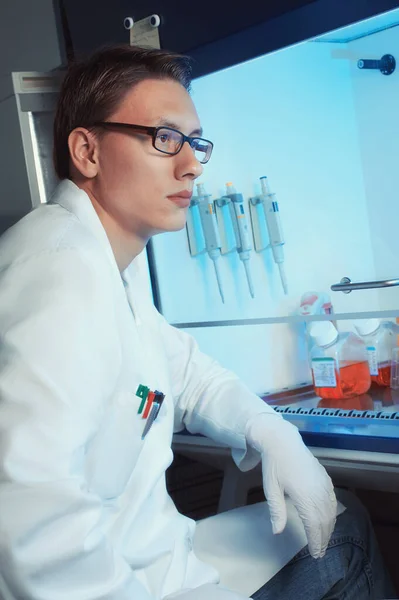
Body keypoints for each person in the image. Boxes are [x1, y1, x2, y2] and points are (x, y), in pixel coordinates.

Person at [0, 44, 394, 600]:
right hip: (118, 584)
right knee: (345, 543)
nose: (191, 165)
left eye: (196, 143)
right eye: (164, 139)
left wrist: (272, 432)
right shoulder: (59, 273)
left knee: (339, 517)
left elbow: (185, 372)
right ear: (87, 151)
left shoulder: (109, 262)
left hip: (157, 558)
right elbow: (29, 518)